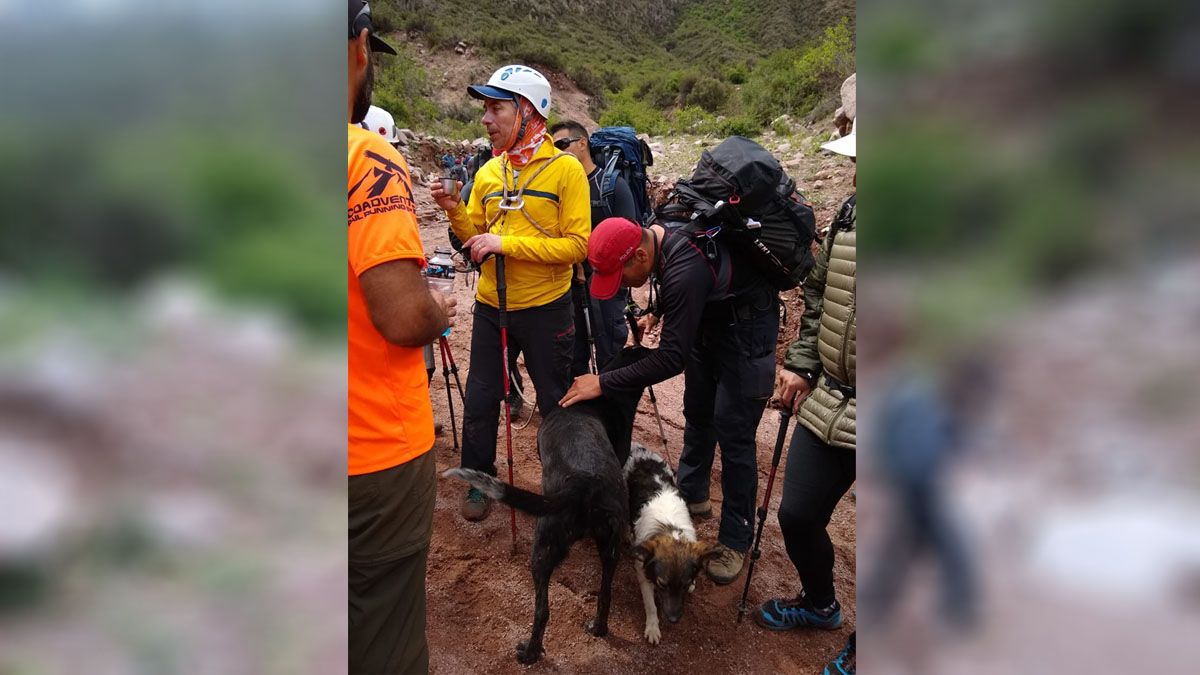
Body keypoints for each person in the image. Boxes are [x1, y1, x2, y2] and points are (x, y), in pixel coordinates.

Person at [559, 214, 779, 585]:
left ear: (640, 258)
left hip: (747, 333)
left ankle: (735, 539)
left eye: (620, 276)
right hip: (709, 323)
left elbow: (669, 359)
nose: (621, 286)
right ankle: (692, 496)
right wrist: (658, 312)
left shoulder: (684, 269)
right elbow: (682, 290)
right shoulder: (660, 232)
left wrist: (604, 382)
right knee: (697, 412)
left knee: (734, 433)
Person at [347, 3, 457, 673]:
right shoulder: (365, 155)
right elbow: (401, 315)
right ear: (360, 46)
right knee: (380, 634)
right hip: (368, 450)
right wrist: (439, 306)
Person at [430, 64, 590, 521]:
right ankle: (480, 479)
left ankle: (565, 488)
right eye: (485, 108)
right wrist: (454, 210)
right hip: (491, 308)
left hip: (547, 309)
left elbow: (577, 246)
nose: (485, 119)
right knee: (480, 400)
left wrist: (507, 244)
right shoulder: (488, 172)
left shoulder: (566, 172)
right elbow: (474, 236)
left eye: (495, 108)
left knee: (556, 402)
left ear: (528, 112)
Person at [756, 120, 856, 632]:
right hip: (833, 397)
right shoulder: (850, 214)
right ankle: (820, 604)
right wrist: (802, 362)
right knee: (796, 516)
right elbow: (817, 293)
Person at [548, 120, 637, 375]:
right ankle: (582, 406)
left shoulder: (611, 185)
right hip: (570, 280)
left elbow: (631, 234)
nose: (557, 152)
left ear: (583, 143)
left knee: (609, 345)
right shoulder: (560, 187)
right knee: (573, 349)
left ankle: (611, 400)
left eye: (562, 144)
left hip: (606, 280)